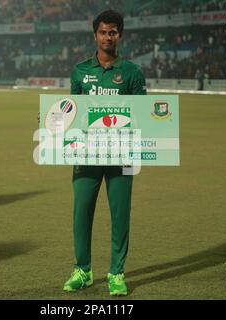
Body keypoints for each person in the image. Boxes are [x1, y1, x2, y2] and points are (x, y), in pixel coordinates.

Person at [62, 10, 147, 296]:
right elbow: (70, 112)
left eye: (113, 32)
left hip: (121, 155)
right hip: (86, 155)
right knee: (81, 214)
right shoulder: (80, 71)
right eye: (102, 31)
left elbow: (143, 116)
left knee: (120, 215)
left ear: (119, 35)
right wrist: (51, 119)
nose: (107, 37)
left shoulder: (133, 72)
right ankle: (82, 270)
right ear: (95, 35)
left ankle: (116, 273)